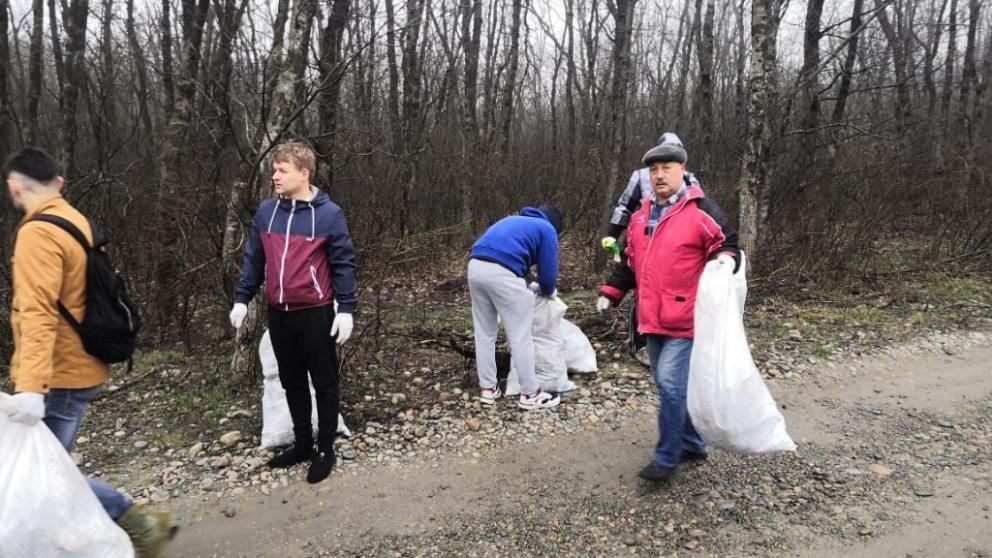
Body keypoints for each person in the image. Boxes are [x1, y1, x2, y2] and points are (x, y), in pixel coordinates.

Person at [3, 147, 176, 555]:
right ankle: (119, 525)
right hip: (80, 365)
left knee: (42, 473)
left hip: (57, 374)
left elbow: (39, 312)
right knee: (47, 468)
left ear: (14, 187)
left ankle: (135, 522)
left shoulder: (37, 233)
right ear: (58, 184)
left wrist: (29, 386)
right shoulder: (72, 218)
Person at [595, 137, 740, 482]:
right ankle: (693, 443)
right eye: (654, 169)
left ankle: (667, 456)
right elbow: (631, 262)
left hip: (686, 318)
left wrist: (724, 262)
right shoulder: (641, 215)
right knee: (667, 386)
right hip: (650, 318)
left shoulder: (701, 210)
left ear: (682, 170)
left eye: (667, 168)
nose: (660, 175)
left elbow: (729, 244)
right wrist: (612, 292)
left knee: (671, 386)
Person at [230, 141, 357, 484]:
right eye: (274, 170)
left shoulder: (329, 215)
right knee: (292, 382)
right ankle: (303, 443)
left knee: (325, 382)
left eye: (282, 170)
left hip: (316, 313)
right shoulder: (267, 212)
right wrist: (242, 298)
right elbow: (255, 259)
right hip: (279, 313)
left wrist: (345, 309)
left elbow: (343, 263)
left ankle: (325, 448)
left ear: (304, 173)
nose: (275, 176)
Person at [602, 133, 703, 365]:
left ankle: (673, 342)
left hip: (677, 241)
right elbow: (624, 206)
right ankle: (640, 342)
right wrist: (612, 235)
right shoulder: (640, 175)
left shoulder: (689, 178)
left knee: (673, 290)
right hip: (644, 236)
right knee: (642, 287)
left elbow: (698, 208)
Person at [468, 204, 563, 410]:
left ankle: (488, 389)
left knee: (484, 333)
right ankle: (530, 394)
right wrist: (546, 289)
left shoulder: (512, 220)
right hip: (502, 272)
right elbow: (548, 276)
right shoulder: (547, 229)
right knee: (520, 335)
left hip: (475, 267)